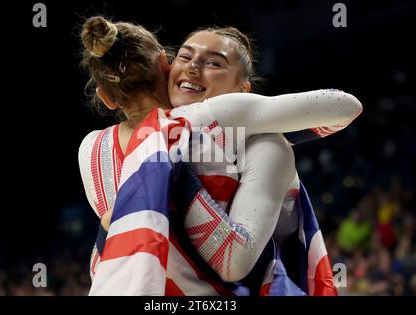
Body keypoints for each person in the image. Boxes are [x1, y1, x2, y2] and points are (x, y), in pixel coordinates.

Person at [78, 17, 362, 295]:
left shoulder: (93, 149)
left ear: (106, 97)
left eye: (214, 63)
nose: (193, 68)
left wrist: (255, 131)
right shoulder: (209, 118)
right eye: (186, 57)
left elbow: (109, 262)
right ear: (166, 64)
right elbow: (345, 106)